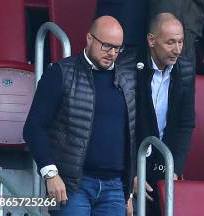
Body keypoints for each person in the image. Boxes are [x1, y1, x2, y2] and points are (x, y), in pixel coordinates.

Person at [23, 16, 136, 215]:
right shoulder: (60, 73)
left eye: (118, 48)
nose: (112, 53)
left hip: (115, 187)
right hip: (71, 185)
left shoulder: (127, 80)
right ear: (89, 39)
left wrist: (128, 192)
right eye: (107, 46)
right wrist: (50, 174)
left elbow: (132, 134)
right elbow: (34, 127)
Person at [135, 13, 195, 216]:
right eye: (170, 43)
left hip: (164, 163)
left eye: (180, 42)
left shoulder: (185, 69)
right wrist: (131, 173)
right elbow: (121, 125)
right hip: (131, 164)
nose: (177, 50)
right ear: (151, 40)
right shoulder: (130, 67)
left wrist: (175, 169)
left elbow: (186, 124)